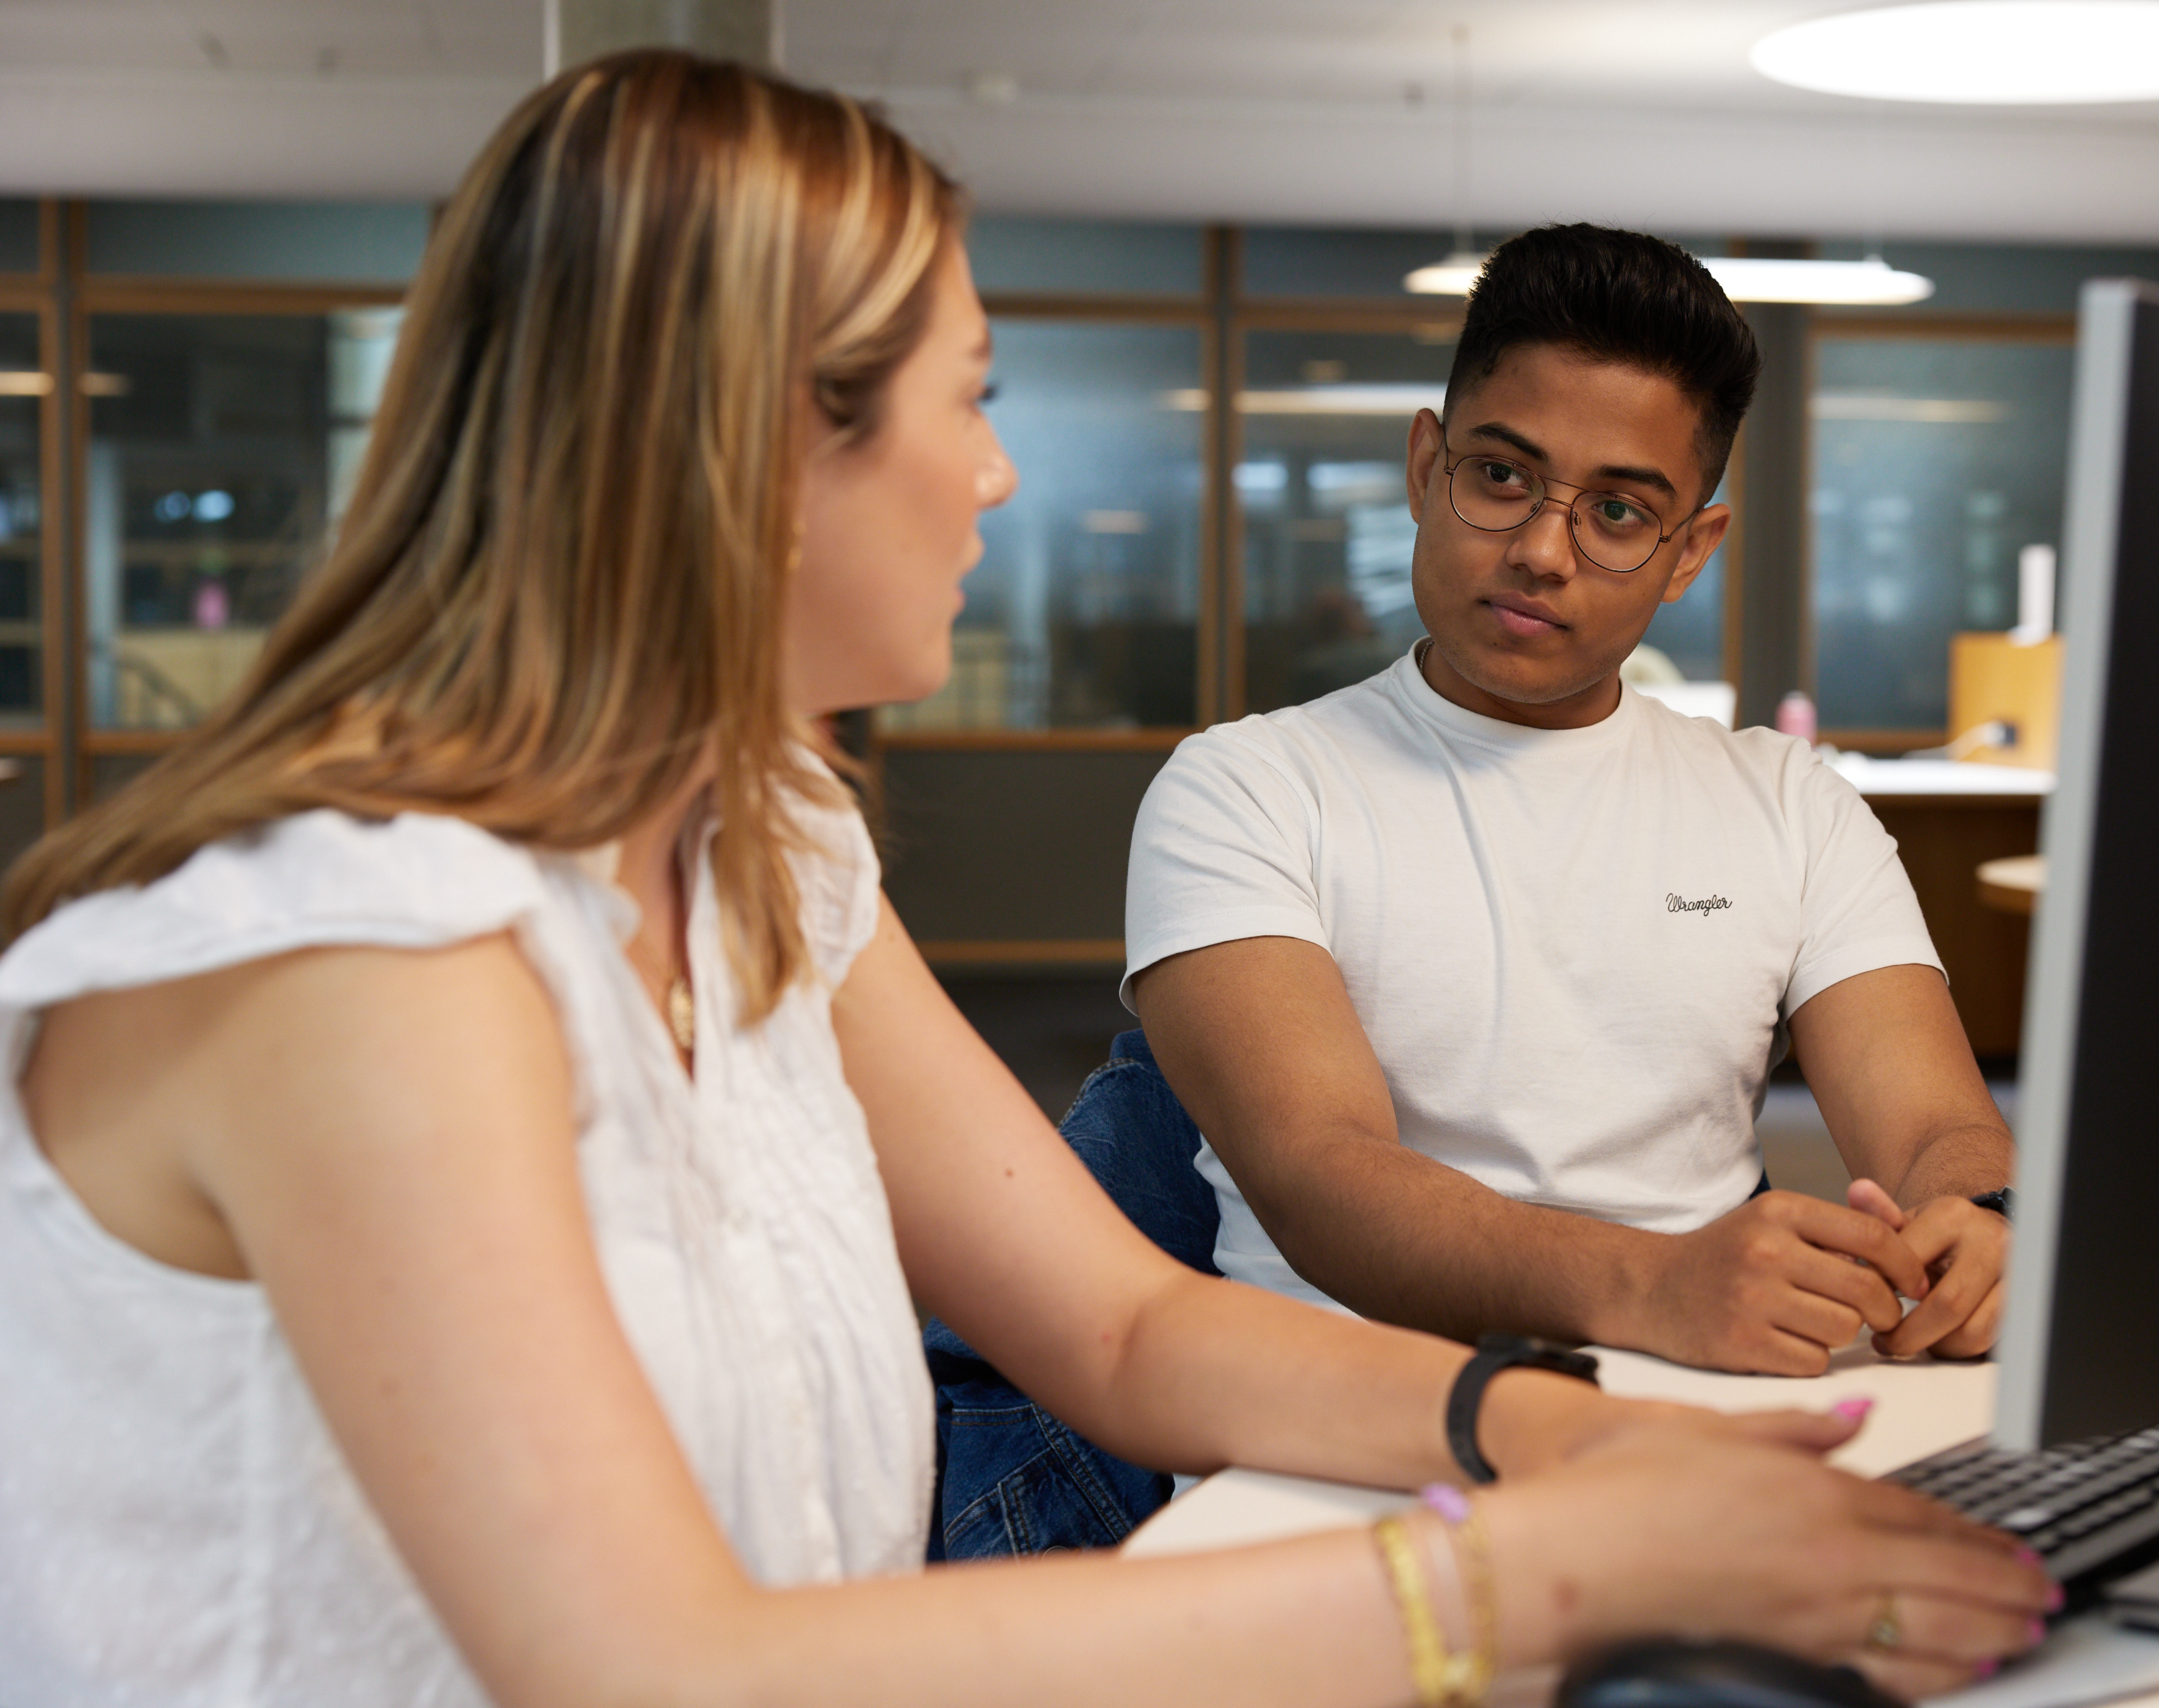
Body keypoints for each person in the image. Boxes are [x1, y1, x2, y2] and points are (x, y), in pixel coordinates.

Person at [0, 54, 2049, 1707]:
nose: (997, 474)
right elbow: (651, 1668)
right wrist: (1529, 1581)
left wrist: (1579, 1438)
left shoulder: (762, 840)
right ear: (756, 443)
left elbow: (1134, 1335)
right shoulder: (367, 951)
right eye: (969, 400)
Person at [1126, 226, 2016, 1378]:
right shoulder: (1248, 789)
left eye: (1619, 513)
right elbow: (1318, 1177)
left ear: (1691, 551)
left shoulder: (1792, 804)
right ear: (1423, 468)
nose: (1544, 550)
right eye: (1502, 477)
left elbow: (1935, 1131)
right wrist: (1654, 1283)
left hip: (1706, 1405)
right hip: (1339, 1435)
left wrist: (1974, 1221)